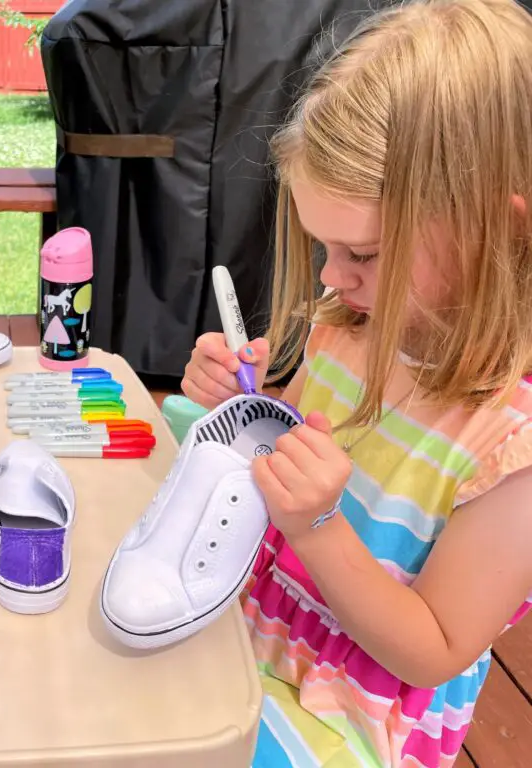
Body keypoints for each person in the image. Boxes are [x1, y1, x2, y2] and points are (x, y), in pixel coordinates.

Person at [181, 1, 532, 765]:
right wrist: (249, 408)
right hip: (254, 634)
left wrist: (317, 526)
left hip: (352, 721)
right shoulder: (350, 326)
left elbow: (433, 650)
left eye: (364, 254)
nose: (333, 279)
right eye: (323, 248)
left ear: (497, 231)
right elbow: (305, 444)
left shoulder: (514, 449)